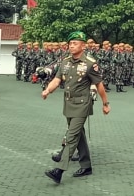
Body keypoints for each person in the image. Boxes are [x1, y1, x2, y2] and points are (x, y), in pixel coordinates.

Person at [41, 31, 110, 184]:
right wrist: (47, 90)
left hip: (82, 104)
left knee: (71, 136)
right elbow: (57, 79)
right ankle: (86, 166)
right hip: (69, 103)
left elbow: (99, 85)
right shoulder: (65, 62)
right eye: (70, 43)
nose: (71, 46)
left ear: (83, 45)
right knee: (79, 134)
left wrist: (105, 103)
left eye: (75, 43)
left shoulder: (90, 63)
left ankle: (59, 171)